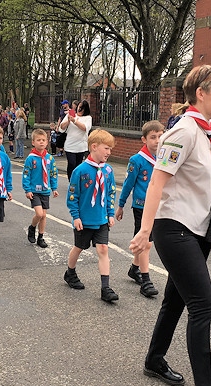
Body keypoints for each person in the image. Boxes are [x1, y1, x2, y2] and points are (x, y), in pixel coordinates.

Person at [129, 65, 211, 386]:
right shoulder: (183, 131)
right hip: (173, 228)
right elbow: (157, 183)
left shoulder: (208, 132)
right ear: (201, 94)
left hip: (196, 229)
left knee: (175, 300)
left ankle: (154, 359)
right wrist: (145, 230)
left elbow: (206, 174)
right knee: (203, 305)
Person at [63, 129, 118, 303]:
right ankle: (70, 273)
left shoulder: (108, 171)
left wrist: (110, 214)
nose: (109, 152)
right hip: (84, 219)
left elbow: (110, 193)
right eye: (106, 148)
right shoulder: (80, 171)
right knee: (79, 248)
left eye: (110, 149)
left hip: (101, 218)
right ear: (94, 147)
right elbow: (73, 196)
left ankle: (105, 288)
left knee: (103, 249)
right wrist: (76, 216)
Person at [116, 120, 164, 298]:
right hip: (141, 206)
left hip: (159, 206)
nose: (157, 140)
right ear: (144, 139)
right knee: (147, 242)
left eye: (160, 136)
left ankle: (134, 269)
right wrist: (120, 205)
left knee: (146, 241)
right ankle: (146, 280)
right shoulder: (137, 160)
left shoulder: (164, 157)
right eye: (153, 137)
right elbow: (128, 184)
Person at [23, 128, 59, 248]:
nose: (41, 142)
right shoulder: (31, 158)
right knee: (39, 214)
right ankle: (32, 227)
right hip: (34, 191)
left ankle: (41, 237)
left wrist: (54, 188)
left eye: (43, 140)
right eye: (38, 140)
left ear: (47, 142)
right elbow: (26, 174)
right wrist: (27, 190)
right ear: (33, 142)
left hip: (45, 190)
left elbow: (53, 174)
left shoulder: (49, 158)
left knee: (44, 215)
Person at [60, 99, 92, 180]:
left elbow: (85, 128)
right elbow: (61, 128)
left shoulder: (88, 118)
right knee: (71, 163)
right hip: (70, 145)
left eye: (81, 107)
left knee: (78, 165)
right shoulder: (70, 115)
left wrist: (74, 121)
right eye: (78, 107)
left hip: (81, 146)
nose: (79, 109)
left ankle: (76, 181)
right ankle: (71, 180)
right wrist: (68, 120)